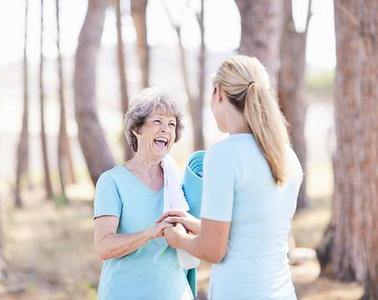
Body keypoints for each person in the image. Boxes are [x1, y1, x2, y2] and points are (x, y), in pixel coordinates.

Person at [159, 55, 303, 299]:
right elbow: (250, 232)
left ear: (218, 92)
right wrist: (194, 223)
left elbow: (213, 250)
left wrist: (179, 239)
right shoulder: (287, 156)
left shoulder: (224, 155)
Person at [93, 88, 193, 300]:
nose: (166, 129)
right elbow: (103, 247)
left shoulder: (179, 182)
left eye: (171, 124)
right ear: (137, 128)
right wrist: (150, 233)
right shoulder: (112, 182)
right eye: (157, 121)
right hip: (125, 293)